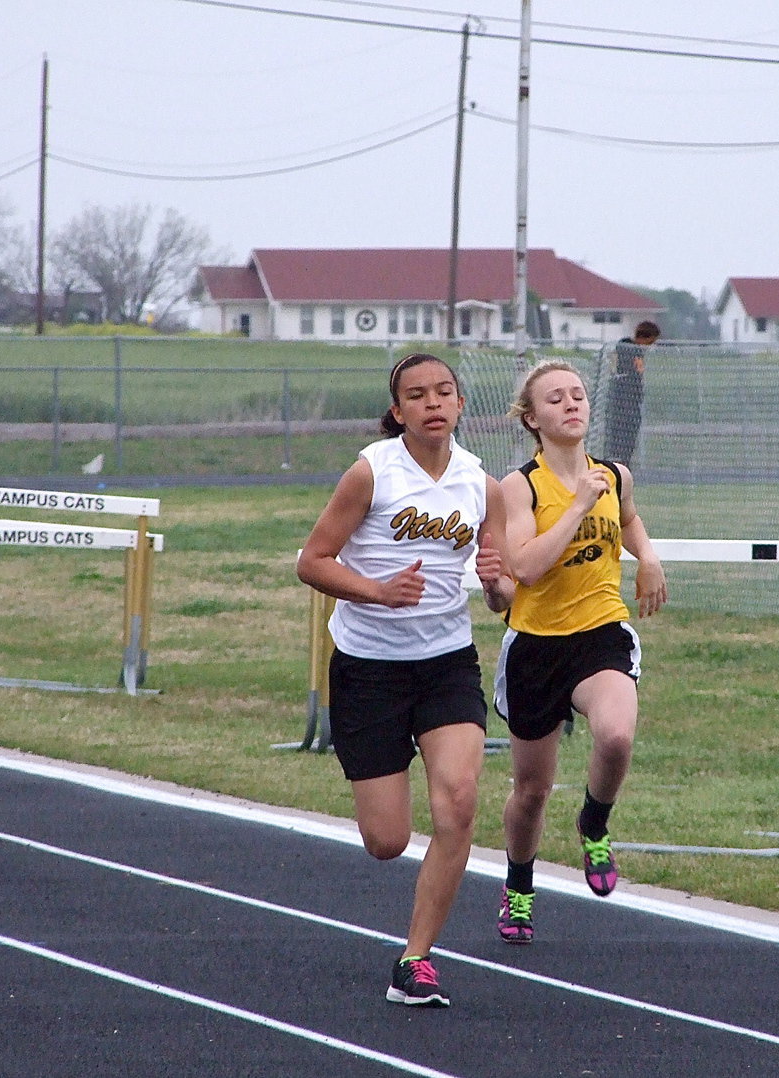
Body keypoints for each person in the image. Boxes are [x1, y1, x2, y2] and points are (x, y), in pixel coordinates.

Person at [296, 352, 514, 1007]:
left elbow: (501, 593)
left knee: (459, 802)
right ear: (398, 411)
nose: (432, 403)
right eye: (417, 395)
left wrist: (497, 583)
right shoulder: (371, 473)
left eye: (444, 391)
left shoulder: (482, 484)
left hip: (446, 663)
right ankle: (409, 931)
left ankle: (415, 960)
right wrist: (374, 591)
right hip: (368, 669)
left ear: (460, 404)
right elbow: (311, 561)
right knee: (387, 840)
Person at [493, 359, 667, 945]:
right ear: (532, 418)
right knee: (531, 791)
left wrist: (648, 558)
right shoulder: (520, 486)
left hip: (600, 634)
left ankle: (594, 822)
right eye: (555, 399)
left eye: (578, 395)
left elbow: (631, 518)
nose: (571, 405)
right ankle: (519, 887)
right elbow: (525, 567)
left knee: (616, 735)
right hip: (537, 646)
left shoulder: (614, 476)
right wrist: (574, 506)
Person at [604, 319, 661, 464]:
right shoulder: (630, 349)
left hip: (627, 404)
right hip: (625, 405)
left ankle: (622, 464)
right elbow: (635, 371)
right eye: (650, 341)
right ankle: (619, 464)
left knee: (624, 442)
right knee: (622, 441)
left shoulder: (632, 351)